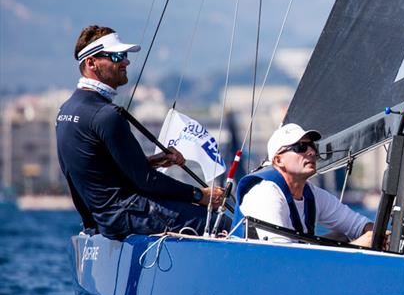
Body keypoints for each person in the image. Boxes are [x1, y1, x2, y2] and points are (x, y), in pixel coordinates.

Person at [56, 25, 227, 239]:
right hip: (124, 216)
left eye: (125, 55)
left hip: (100, 221)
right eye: (117, 56)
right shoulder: (105, 115)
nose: (126, 61)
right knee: (223, 223)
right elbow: (145, 180)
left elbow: (98, 168)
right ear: (91, 63)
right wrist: (199, 195)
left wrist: (154, 161)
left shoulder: (67, 109)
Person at [233, 123, 375, 246]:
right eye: (300, 147)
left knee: (342, 237)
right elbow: (280, 256)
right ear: (278, 160)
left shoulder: (311, 194)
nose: (311, 152)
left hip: (292, 268)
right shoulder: (266, 194)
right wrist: (357, 246)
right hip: (257, 271)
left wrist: (377, 235)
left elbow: (358, 225)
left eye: (312, 146)